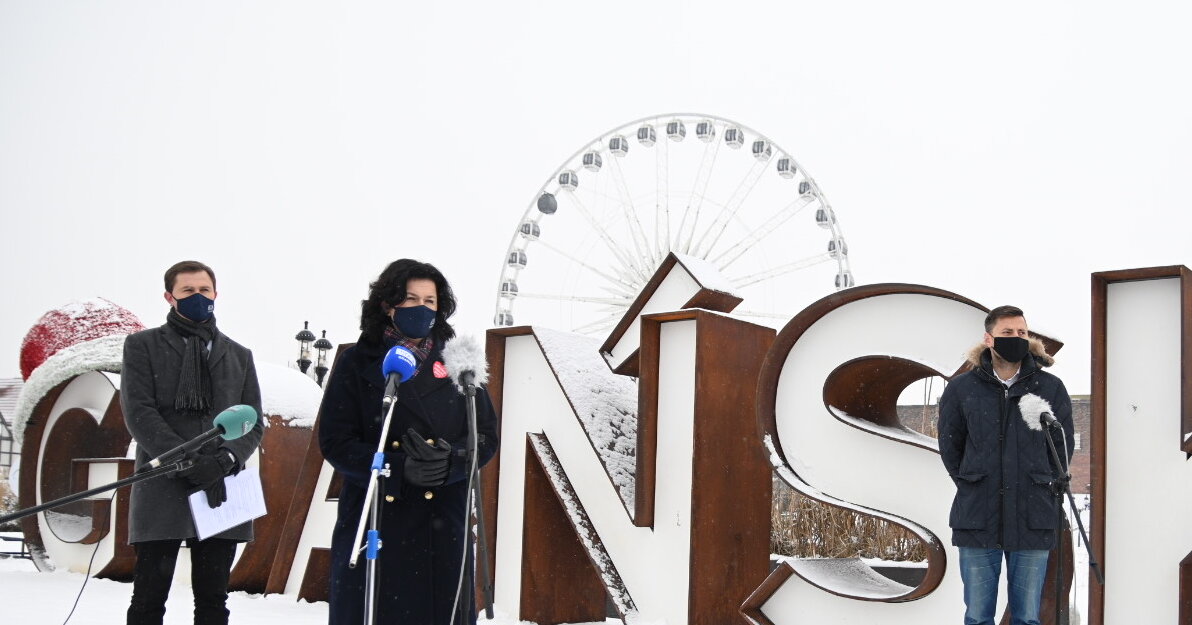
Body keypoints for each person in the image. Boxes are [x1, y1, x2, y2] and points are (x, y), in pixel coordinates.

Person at [319, 259, 499, 625]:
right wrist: (397, 469)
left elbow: (486, 436)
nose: (421, 308)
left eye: (430, 301)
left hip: (443, 519)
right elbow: (335, 441)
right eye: (410, 299)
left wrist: (453, 461)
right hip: (377, 516)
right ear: (388, 305)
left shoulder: (460, 362)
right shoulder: (357, 361)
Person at [121, 260, 264, 625]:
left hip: (222, 484)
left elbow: (251, 421)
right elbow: (140, 413)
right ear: (170, 297)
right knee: (149, 598)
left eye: (204, 290)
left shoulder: (239, 355)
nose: (198, 297)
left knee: (214, 600)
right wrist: (186, 460)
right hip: (162, 481)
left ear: (216, 294)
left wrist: (222, 461)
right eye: (188, 291)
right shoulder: (142, 346)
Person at [937, 305, 1075, 625]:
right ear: (989, 338)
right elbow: (951, 447)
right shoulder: (962, 390)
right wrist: (976, 483)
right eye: (1008, 333)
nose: (1016, 338)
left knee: (1027, 617)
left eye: (1022, 333)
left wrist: (1039, 485)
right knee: (978, 615)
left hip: (1032, 517)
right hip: (977, 517)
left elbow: (1061, 447)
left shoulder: (1050, 388)